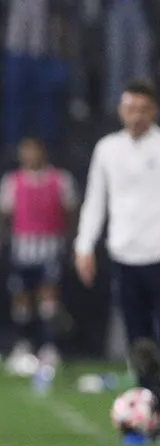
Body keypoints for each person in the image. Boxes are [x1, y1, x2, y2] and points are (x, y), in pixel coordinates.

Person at [75, 79, 160, 366]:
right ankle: (147, 399)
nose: (136, 116)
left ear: (153, 112)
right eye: (131, 108)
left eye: (143, 109)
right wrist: (84, 245)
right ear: (121, 111)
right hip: (124, 256)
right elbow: (95, 201)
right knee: (137, 339)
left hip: (157, 254)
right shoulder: (107, 149)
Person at [0, 137, 77, 373]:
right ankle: (23, 346)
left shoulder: (60, 180)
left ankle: (50, 348)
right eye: (25, 152)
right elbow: (2, 215)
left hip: (50, 247)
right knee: (21, 299)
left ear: (43, 152)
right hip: (21, 248)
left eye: (33, 151)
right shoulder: (12, 181)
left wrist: (74, 243)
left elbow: (72, 213)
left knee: (48, 298)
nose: (29, 156)